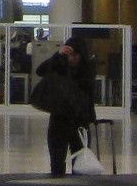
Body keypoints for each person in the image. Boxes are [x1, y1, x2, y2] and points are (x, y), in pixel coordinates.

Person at [32, 37, 96, 176]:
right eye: (69, 55)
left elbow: (86, 92)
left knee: (80, 166)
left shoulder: (87, 70)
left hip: (79, 123)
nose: (71, 59)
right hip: (59, 121)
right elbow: (40, 70)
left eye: (75, 55)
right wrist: (58, 55)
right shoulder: (60, 65)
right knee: (57, 164)